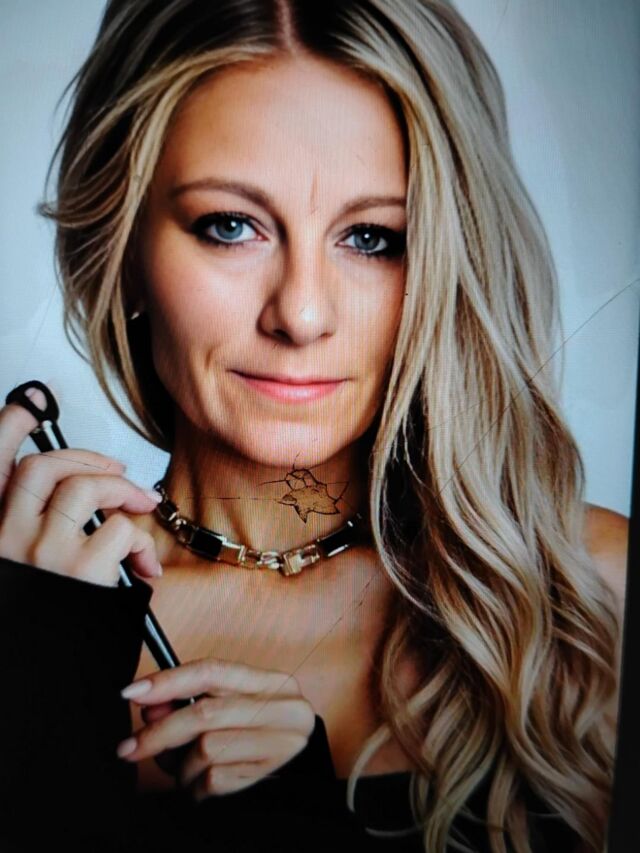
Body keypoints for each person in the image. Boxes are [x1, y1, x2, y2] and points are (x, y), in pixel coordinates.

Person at [0, 1, 628, 851]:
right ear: (125, 248)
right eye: (230, 226)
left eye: (370, 237)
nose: (300, 314)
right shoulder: (32, 619)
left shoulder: (592, 596)